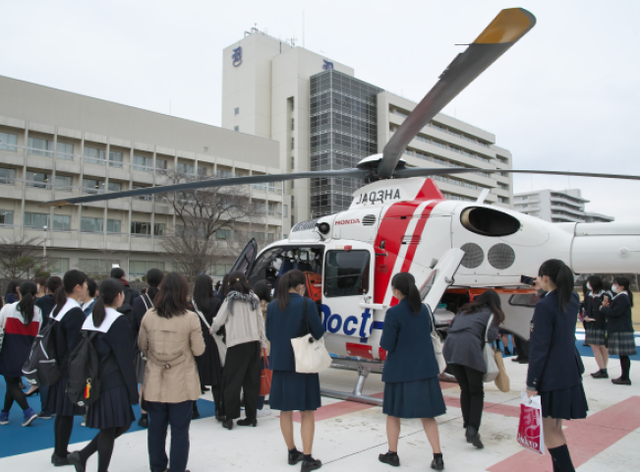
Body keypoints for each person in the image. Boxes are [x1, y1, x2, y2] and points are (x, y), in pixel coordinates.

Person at [67, 279, 138, 472]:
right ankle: (95, 465)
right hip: (112, 383)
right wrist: (134, 392)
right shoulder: (118, 320)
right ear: (118, 296)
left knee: (116, 425)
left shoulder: (90, 317)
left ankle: (82, 455)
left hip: (93, 380)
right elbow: (125, 360)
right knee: (112, 427)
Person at [138, 272, 205, 472]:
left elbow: (142, 345)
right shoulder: (190, 317)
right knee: (180, 431)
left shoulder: (149, 315)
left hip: (155, 381)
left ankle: (158, 468)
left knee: (155, 430)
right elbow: (199, 350)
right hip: (181, 382)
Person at [527, 259, 588, 472]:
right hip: (569, 370)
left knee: (550, 431)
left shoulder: (544, 305)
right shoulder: (572, 298)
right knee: (557, 428)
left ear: (544, 277)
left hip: (550, 375)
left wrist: (531, 382)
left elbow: (539, 348)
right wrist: (544, 290)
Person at [379, 273, 445, 470]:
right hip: (425, 370)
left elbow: (386, 344)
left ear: (396, 290)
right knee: (428, 415)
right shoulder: (425, 309)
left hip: (399, 371)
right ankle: (437, 456)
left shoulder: (394, 313)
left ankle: (392, 454)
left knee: (393, 413)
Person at [266, 270, 324, 472]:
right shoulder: (307, 303)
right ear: (301, 287)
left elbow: (268, 334)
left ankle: (291, 451)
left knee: (285, 410)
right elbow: (318, 331)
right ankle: (307, 458)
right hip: (303, 363)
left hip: (281, 363)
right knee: (307, 411)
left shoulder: (273, 306)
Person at [443, 289, 503, 450]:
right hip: (470, 351)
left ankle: (467, 425)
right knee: (476, 391)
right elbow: (489, 337)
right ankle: (473, 429)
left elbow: (450, 329)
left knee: (465, 389)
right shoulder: (491, 314)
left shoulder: (464, 311)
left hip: (451, 350)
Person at [211, 271, 267, 430]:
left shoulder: (231, 299)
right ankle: (251, 417)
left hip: (236, 345)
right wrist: (262, 342)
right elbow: (260, 323)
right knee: (252, 382)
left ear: (229, 284)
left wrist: (213, 329)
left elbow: (219, 320)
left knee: (232, 382)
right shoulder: (254, 298)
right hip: (254, 343)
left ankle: (229, 418)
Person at [47, 270, 89, 466]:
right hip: (68, 370)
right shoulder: (74, 312)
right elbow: (76, 346)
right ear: (77, 287)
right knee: (66, 414)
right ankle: (61, 455)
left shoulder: (59, 308)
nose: (87, 288)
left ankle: (59, 451)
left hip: (57, 367)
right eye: (85, 284)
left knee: (61, 414)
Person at [0, 281, 42, 426]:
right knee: (13, 383)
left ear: (19, 293)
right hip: (28, 355)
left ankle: (28, 411)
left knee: (11, 383)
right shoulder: (37, 311)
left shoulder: (8, 308)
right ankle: (4, 414)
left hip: (9, 352)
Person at [130, 268, 164, 428]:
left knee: (144, 381)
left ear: (146, 281)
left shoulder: (138, 301)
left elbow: (133, 326)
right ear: (162, 281)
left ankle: (144, 415)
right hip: (163, 346)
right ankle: (161, 413)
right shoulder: (165, 299)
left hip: (144, 346)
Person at [191, 274, 223, 421]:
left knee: (194, 377)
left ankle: (192, 409)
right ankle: (218, 409)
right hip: (214, 342)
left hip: (195, 342)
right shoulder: (216, 302)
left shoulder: (191, 304)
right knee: (216, 378)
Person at [34, 276, 63, 418]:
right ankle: (57, 405)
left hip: (43, 342)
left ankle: (46, 409)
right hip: (60, 341)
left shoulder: (40, 302)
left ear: (46, 288)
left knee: (44, 375)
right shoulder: (63, 302)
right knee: (58, 374)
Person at [600, 276, 636, 385]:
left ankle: (625, 377)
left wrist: (604, 309)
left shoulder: (622, 297)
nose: (613, 286)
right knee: (622, 354)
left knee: (623, 354)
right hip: (621, 328)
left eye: (615, 284)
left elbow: (616, 312)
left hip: (621, 329)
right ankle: (624, 376)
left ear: (622, 286)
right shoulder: (621, 297)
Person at [583, 276, 611, 378]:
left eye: (589, 283)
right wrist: (586, 316)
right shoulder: (588, 295)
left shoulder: (605, 295)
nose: (588, 285)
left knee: (603, 347)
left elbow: (608, 310)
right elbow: (586, 307)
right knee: (594, 346)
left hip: (602, 324)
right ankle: (602, 369)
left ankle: (603, 369)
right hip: (591, 323)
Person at [253, 279, 272, 418]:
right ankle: (259, 406)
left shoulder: (252, 306)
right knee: (264, 376)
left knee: (255, 377)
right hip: (268, 347)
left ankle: (254, 405)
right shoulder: (272, 307)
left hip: (254, 346)